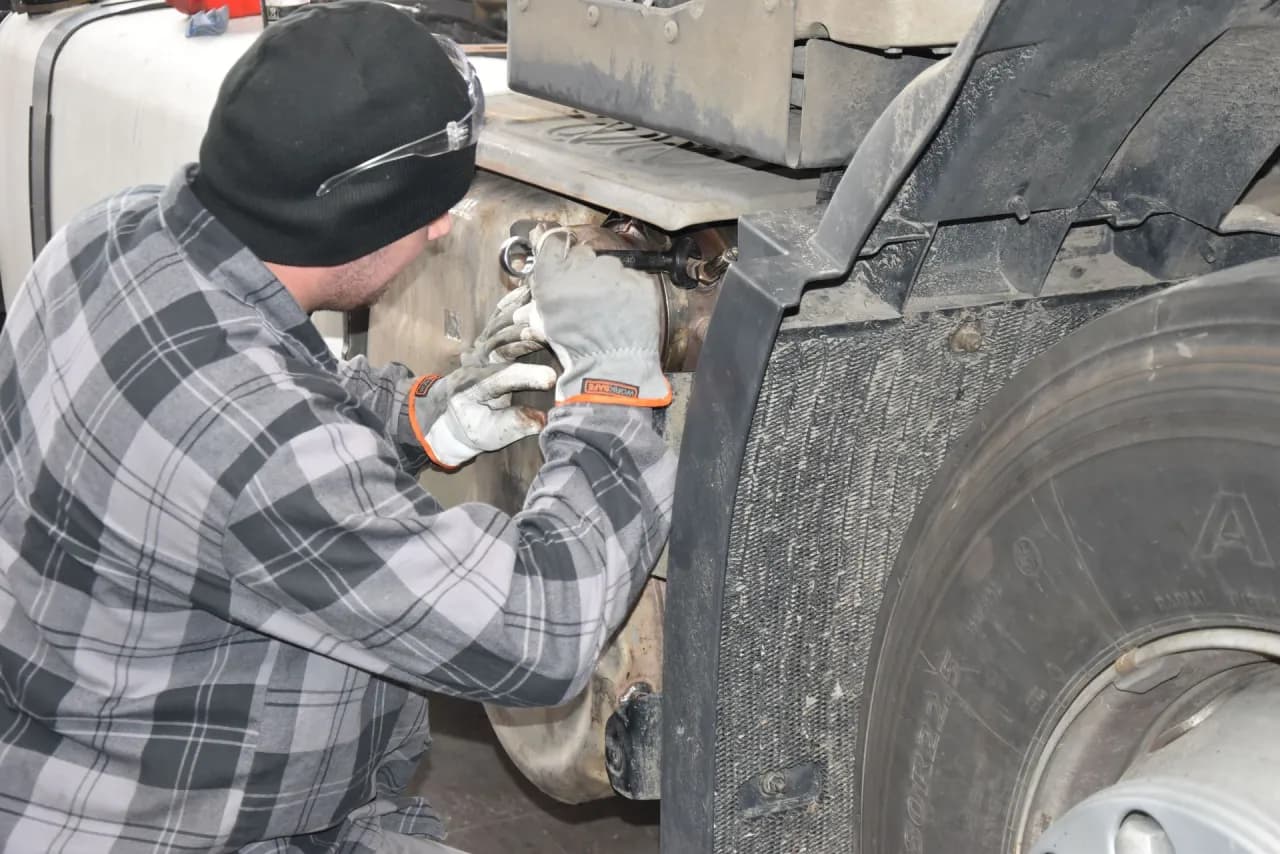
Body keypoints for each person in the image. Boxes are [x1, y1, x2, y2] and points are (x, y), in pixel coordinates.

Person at [0, 3, 676, 852]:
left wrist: (427, 416)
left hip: (91, 756)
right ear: (351, 219)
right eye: (427, 211)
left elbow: (264, 402)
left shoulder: (112, 236)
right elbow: (537, 633)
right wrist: (610, 388)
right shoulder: (256, 446)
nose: (440, 229)